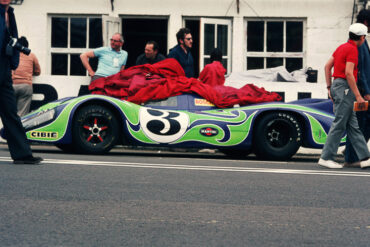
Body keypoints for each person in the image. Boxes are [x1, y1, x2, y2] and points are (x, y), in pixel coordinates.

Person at [319, 23, 370, 169]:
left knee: (353, 126)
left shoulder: (341, 47)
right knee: (340, 123)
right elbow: (349, 73)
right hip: (345, 88)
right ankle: (326, 157)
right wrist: (359, 95)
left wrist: (329, 87)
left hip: (338, 86)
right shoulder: (353, 50)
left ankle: (365, 157)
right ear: (361, 37)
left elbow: (327, 66)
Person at [0, 0, 42, 164]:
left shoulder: (10, 13)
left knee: (11, 113)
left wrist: (12, 64)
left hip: (4, 70)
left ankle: (22, 155)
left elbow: (13, 39)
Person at [344, 9, 370, 167]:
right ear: (366, 22)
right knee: (360, 124)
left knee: (362, 124)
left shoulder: (363, 41)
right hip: (360, 92)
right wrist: (366, 92)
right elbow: (359, 71)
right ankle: (351, 156)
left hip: (362, 91)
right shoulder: (359, 43)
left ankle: (354, 154)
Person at [12, 36, 40, 116]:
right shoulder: (31, 55)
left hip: (11, 85)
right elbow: (38, 71)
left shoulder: (12, 55)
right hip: (25, 86)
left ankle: (8, 128)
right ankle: (19, 128)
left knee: (10, 113)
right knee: (22, 114)